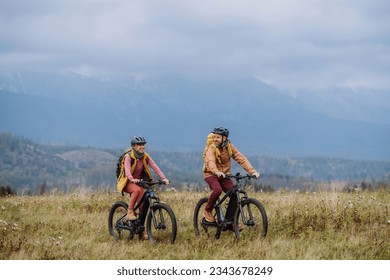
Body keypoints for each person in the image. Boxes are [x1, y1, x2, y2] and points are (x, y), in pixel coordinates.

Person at [203, 127, 260, 225]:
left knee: (234, 194)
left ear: (224, 138)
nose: (215, 139)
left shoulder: (229, 147)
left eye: (218, 137)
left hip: (225, 176)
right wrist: (216, 171)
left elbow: (241, 158)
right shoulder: (211, 148)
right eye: (214, 137)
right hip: (211, 174)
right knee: (217, 190)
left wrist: (253, 171)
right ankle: (207, 211)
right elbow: (210, 161)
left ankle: (230, 222)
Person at [123, 135, 170, 240]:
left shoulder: (145, 156)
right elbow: (127, 171)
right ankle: (130, 211)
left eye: (143, 144)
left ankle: (141, 230)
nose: (142, 146)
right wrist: (132, 179)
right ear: (134, 146)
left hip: (140, 182)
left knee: (143, 206)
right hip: (128, 182)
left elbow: (155, 167)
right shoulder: (128, 156)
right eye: (140, 145)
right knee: (137, 190)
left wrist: (164, 178)